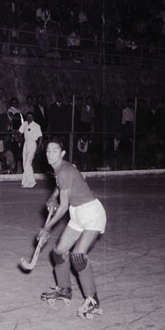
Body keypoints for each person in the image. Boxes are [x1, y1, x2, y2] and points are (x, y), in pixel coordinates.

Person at [38, 137, 106, 319]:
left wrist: (47, 228)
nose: (50, 154)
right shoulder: (60, 169)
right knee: (58, 252)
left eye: (54, 151)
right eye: (48, 151)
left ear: (62, 153)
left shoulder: (65, 171)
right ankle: (64, 289)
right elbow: (61, 186)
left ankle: (92, 300)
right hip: (77, 213)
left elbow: (63, 207)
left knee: (78, 256)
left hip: (91, 214)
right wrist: (53, 197)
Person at [18, 111, 42, 188]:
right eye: (28, 117)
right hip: (26, 144)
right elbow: (20, 132)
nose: (29, 118)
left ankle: (32, 181)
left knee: (28, 163)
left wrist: (39, 147)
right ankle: (25, 182)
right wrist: (20, 138)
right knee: (24, 163)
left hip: (32, 144)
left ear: (33, 117)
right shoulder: (24, 124)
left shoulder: (36, 126)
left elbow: (40, 137)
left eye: (31, 117)